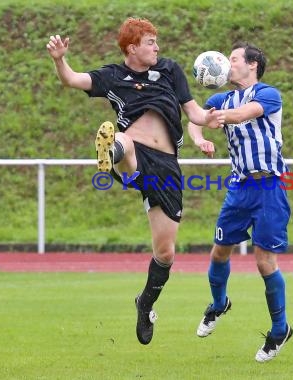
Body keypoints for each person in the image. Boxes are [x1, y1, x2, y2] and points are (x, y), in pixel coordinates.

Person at [46, 17, 222, 345]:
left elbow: (194, 113)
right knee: (124, 141)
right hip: (135, 149)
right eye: (150, 42)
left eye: (156, 41)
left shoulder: (170, 70)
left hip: (167, 166)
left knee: (166, 252)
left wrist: (211, 121)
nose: (157, 47)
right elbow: (71, 79)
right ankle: (111, 150)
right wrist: (59, 59)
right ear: (132, 48)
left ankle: (145, 304)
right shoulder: (112, 76)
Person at [188, 42, 293, 363]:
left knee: (264, 263)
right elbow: (194, 119)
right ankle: (219, 304)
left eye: (233, 60)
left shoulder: (268, 94)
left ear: (253, 66)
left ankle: (279, 329)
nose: (228, 64)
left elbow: (248, 113)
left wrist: (220, 117)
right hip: (239, 187)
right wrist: (200, 137)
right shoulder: (221, 98)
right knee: (219, 251)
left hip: (270, 187)